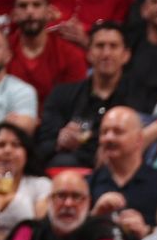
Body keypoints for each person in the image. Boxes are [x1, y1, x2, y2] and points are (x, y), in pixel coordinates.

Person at [37, 21, 133, 168]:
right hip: (71, 172)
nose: (106, 53)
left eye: (113, 46)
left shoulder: (137, 97)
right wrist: (60, 141)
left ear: (125, 55)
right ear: (89, 53)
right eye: (100, 46)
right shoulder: (61, 94)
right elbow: (41, 146)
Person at [89, 106, 157, 240]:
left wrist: (147, 232)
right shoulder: (88, 184)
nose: (109, 138)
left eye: (118, 132)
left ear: (139, 139)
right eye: (104, 132)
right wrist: (94, 217)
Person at [8, 0, 87, 107]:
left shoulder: (71, 55)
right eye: (23, 6)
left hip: (55, 124)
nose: (30, 11)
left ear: (49, 11)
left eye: (37, 5)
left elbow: (75, 103)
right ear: (14, 15)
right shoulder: (2, 52)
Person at [0, 122, 52, 240]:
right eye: (0, 145)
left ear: (26, 153)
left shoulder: (41, 185)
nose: (8, 150)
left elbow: (40, 230)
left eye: (16, 145)